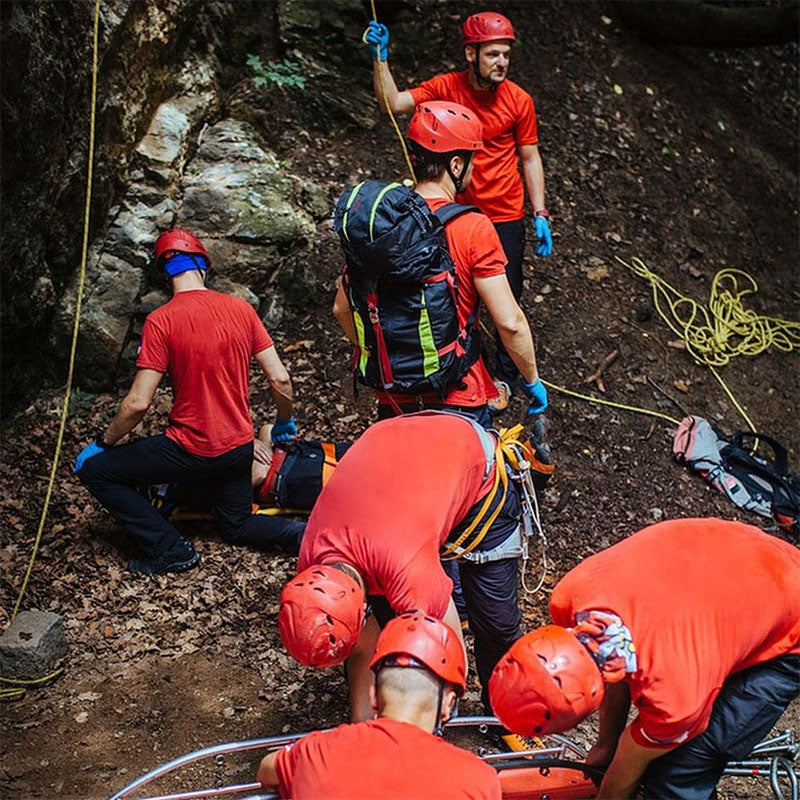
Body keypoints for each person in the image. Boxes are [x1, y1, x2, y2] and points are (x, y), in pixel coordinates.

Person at [489, 518, 800, 799]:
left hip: (788, 614)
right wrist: (606, 745)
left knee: (677, 773)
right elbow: (610, 657)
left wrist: (615, 766)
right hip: (743, 562)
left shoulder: (675, 699)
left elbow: (627, 765)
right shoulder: (570, 596)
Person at [75, 229, 303, 573]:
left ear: (166, 275)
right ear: (202, 266)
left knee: (98, 472)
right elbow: (280, 378)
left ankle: (170, 549)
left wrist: (102, 443)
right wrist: (284, 420)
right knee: (238, 525)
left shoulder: (161, 321)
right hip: (238, 449)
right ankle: (309, 535)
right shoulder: (241, 309)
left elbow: (138, 403)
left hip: (189, 450)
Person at [278, 411, 524, 729]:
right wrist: (361, 729)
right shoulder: (312, 566)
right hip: (394, 449)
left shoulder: (403, 568)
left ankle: (504, 713)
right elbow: (363, 645)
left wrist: (432, 723)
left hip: (473, 462)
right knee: (390, 623)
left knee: (496, 622)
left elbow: (447, 647)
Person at [364, 11, 553, 411]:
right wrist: (380, 58)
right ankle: (461, 365)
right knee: (452, 293)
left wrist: (540, 212)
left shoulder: (519, 100)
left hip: (503, 214)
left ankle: (504, 377)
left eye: (506, 55)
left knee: (505, 297)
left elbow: (530, 157)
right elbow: (392, 104)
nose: (501, 62)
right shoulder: (446, 88)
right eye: (493, 54)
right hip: (452, 214)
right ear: (471, 54)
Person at [333, 101, 547, 428]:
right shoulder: (473, 227)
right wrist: (531, 380)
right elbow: (510, 322)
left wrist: (391, 355)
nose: (474, 169)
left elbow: (341, 309)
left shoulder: (381, 224)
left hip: (394, 398)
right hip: (458, 395)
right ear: (456, 165)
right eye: (473, 160)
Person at [258, 612, 502, 799]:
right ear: (448, 704)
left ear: (373, 696)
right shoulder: (478, 781)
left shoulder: (316, 751)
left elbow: (267, 770)